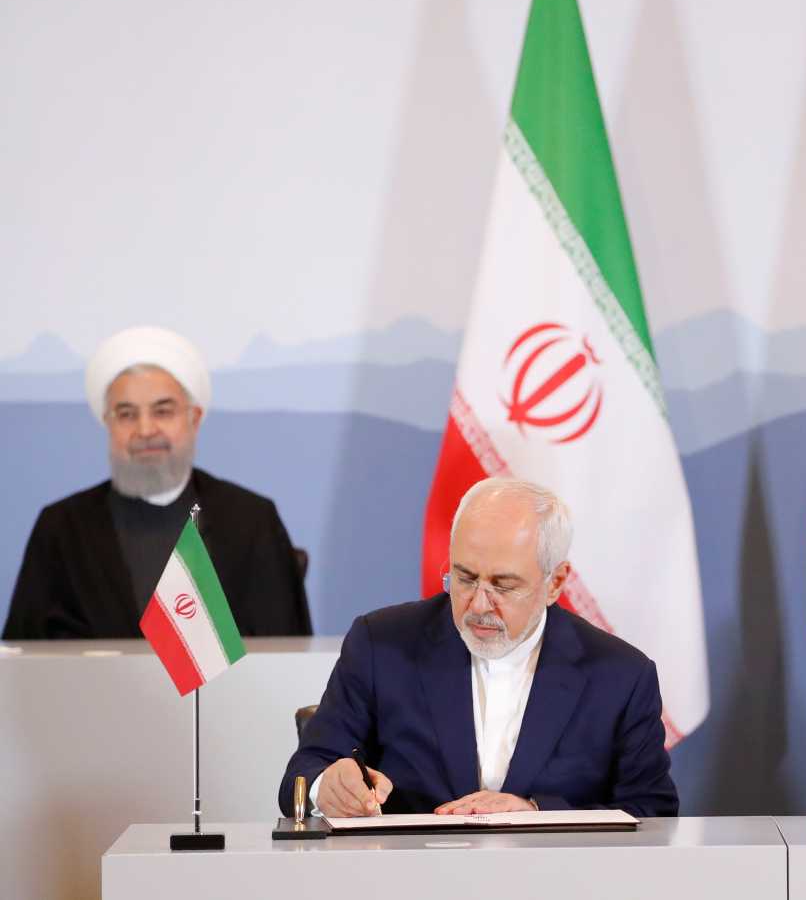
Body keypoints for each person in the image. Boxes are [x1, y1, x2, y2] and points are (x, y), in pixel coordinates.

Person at [279, 477, 677, 818]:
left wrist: (536, 814)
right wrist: (324, 787)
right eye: (465, 579)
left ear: (555, 583)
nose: (479, 605)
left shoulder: (620, 675)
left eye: (503, 585)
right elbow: (305, 771)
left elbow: (652, 811)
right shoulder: (381, 644)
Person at [3, 326, 310, 639]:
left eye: (163, 411)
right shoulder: (61, 528)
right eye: (126, 414)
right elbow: (21, 663)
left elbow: (286, 658)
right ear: (108, 423)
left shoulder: (251, 520)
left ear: (195, 417)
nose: (145, 430)